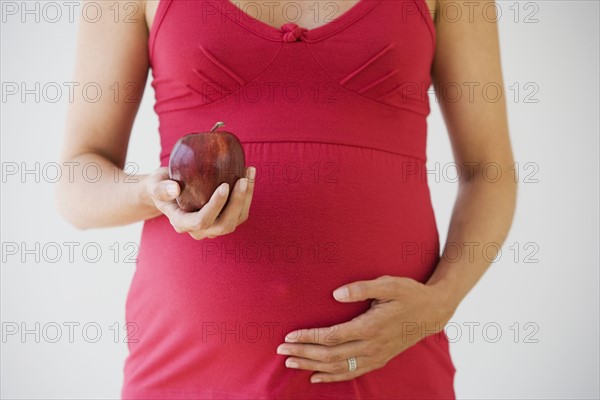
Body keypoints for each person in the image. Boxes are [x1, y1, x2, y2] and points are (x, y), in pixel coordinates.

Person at [57, 0, 517, 398]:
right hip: (189, 365)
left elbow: (488, 172)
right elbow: (76, 182)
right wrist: (150, 193)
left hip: (387, 359)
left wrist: (439, 304)